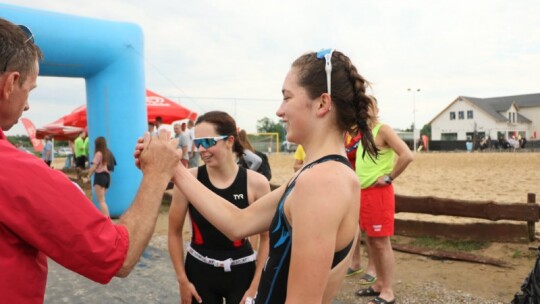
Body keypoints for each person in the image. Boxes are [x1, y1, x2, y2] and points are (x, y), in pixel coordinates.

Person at [152, 49, 379, 303]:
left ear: (322, 103)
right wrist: (174, 169)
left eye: (287, 97)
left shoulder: (322, 182)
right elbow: (238, 224)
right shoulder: (315, 174)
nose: (279, 111)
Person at [0, 18, 182, 303]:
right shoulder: (15, 171)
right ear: (11, 83)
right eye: (30, 89)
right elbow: (117, 256)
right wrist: (157, 174)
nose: (27, 105)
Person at [168, 111, 271, 304]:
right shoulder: (188, 180)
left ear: (230, 140)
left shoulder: (256, 183)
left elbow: (267, 238)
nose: (200, 149)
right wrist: (182, 280)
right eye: (197, 143)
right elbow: (174, 233)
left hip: (242, 273)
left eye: (207, 142)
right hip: (199, 272)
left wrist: (256, 285)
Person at [355, 96, 413, 304]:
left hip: (379, 193)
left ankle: (388, 291)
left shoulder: (383, 130)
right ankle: (379, 283)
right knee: (371, 239)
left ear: (376, 109)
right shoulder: (364, 134)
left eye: (368, 106)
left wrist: (389, 177)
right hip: (364, 193)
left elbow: (407, 155)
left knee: (381, 242)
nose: (364, 110)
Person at [87, 136, 112, 217]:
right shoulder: (107, 153)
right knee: (102, 200)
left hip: (100, 177)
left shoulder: (98, 154)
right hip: (107, 177)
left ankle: (106, 218)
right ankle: (104, 217)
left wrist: (88, 176)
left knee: (101, 201)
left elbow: (93, 167)